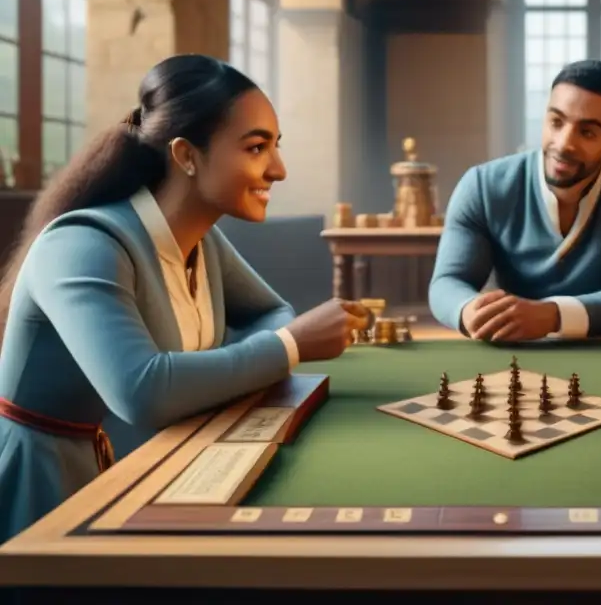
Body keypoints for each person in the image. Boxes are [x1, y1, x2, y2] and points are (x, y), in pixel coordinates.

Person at [0, 54, 369, 543]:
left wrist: (213, 371)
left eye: (276, 147)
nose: (278, 169)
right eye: (256, 147)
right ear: (186, 156)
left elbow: (270, 311)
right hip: (39, 485)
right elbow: (144, 392)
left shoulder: (201, 239)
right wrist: (289, 347)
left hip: (131, 468)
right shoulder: (83, 244)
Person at [428, 59, 601, 342]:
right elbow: (448, 281)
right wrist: (470, 310)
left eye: (587, 132)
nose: (564, 143)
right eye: (556, 122)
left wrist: (553, 315)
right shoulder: (483, 185)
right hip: (511, 351)